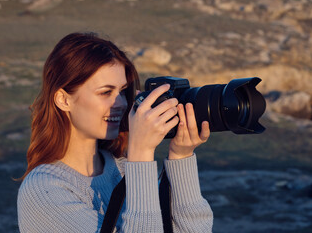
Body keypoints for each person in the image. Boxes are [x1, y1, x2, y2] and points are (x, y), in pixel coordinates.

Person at [17, 32, 213, 232]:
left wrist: (181, 156)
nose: (121, 103)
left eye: (122, 91)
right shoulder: (44, 190)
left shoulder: (123, 168)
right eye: (105, 92)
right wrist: (141, 153)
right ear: (63, 100)